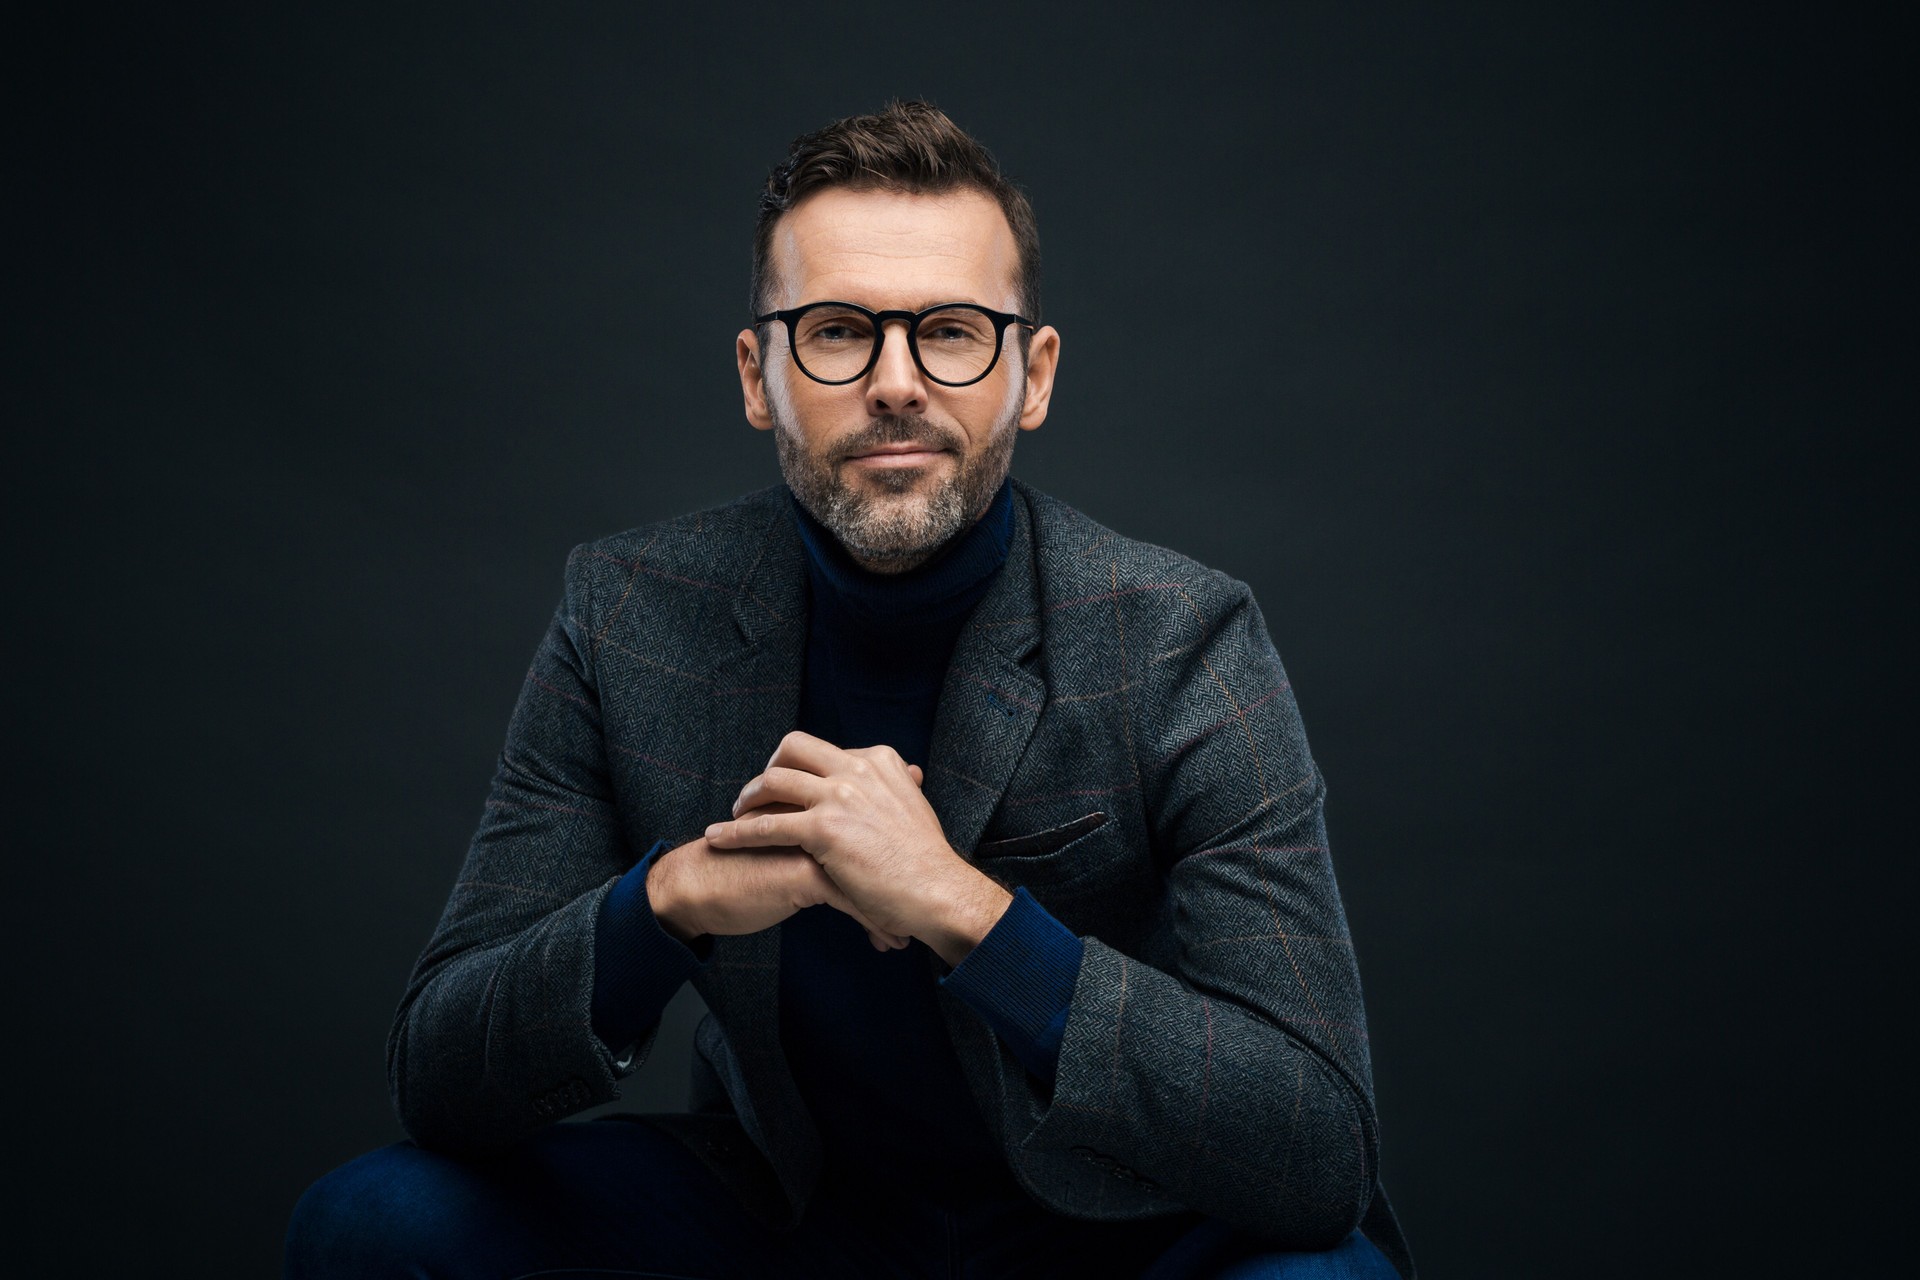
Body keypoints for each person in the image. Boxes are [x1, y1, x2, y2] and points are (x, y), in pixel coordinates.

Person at [286, 100, 1415, 1280]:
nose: (895, 382)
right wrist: (665, 900)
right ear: (758, 374)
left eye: (953, 331)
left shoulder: (1184, 637)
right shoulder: (628, 613)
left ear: (1031, 376)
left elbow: (1316, 1143)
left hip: (1115, 1232)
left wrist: (960, 909)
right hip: (789, 1220)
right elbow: (440, 1072)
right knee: (375, 1224)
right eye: (835, 331)